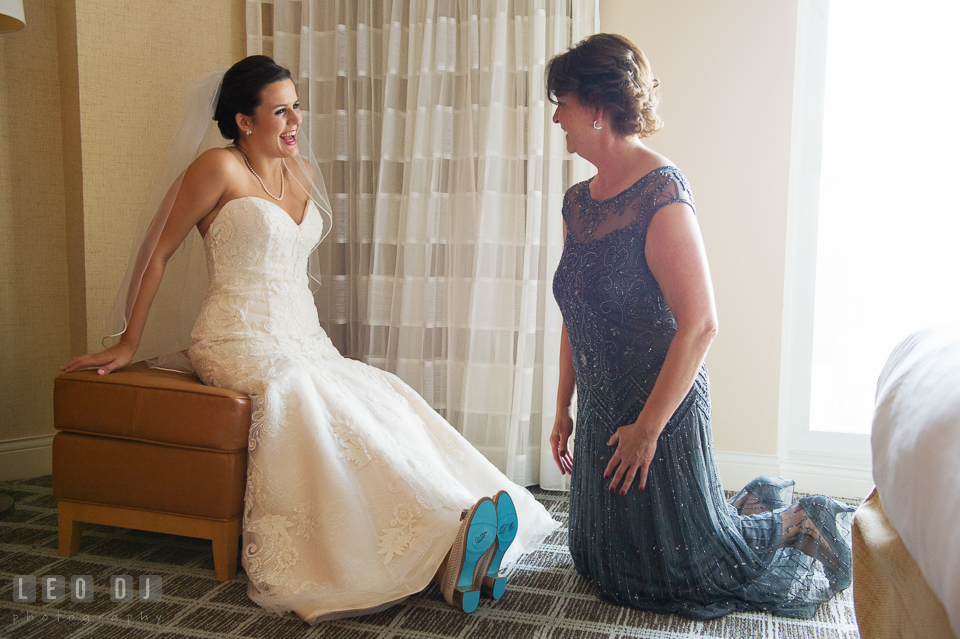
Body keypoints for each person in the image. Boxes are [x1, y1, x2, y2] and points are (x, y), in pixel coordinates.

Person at [61, 55, 557, 623]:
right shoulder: (216, 169)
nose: (295, 120)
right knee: (297, 387)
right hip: (237, 336)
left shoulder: (302, 174)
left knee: (378, 388)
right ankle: (443, 545)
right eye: (280, 110)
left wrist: (321, 348)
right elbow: (158, 253)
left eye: (297, 106)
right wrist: (127, 341)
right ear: (245, 122)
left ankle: (456, 524)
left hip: (304, 337)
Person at [546, 34, 855, 620]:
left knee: (683, 570)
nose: (556, 116)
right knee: (599, 562)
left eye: (561, 101)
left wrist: (647, 430)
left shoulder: (661, 193)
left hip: (658, 412)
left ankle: (799, 521)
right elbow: (576, 313)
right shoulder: (577, 202)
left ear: (596, 107)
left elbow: (701, 324)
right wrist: (563, 407)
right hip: (601, 415)